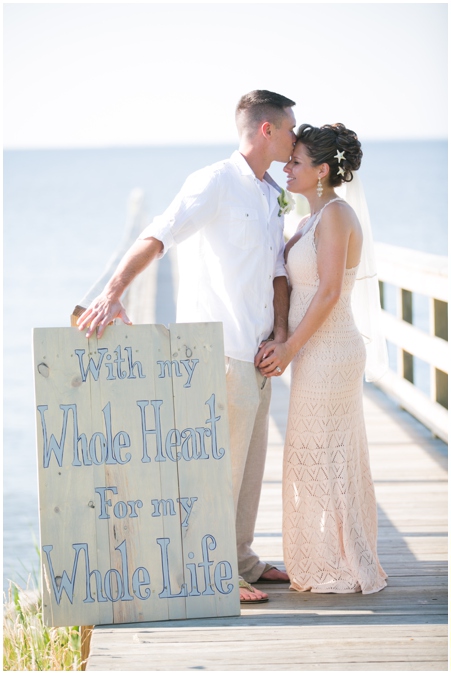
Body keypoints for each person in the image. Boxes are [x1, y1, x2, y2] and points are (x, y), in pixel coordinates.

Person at [76, 90, 296, 604]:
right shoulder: (215, 181)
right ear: (266, 130)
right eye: (290, 128)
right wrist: (112, 293)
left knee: (249, 469)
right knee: (218, 468)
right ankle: (215, 570)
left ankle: (242, 558)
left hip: (261, 352)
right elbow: (161, 233)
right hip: (220, 351)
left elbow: (278, 272)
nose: (295, 137)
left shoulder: (269, 194)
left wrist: (282, 335)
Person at [257, 123, 388, 594]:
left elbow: (330, 291)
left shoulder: (335, 215)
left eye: (296, 162)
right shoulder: (309, 218)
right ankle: (327, 554)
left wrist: (290, 347)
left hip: (329, 352)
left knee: (324, 456)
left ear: (322, 171)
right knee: (319, 455)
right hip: (315, 353)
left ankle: (342, 560)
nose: (286, 168)